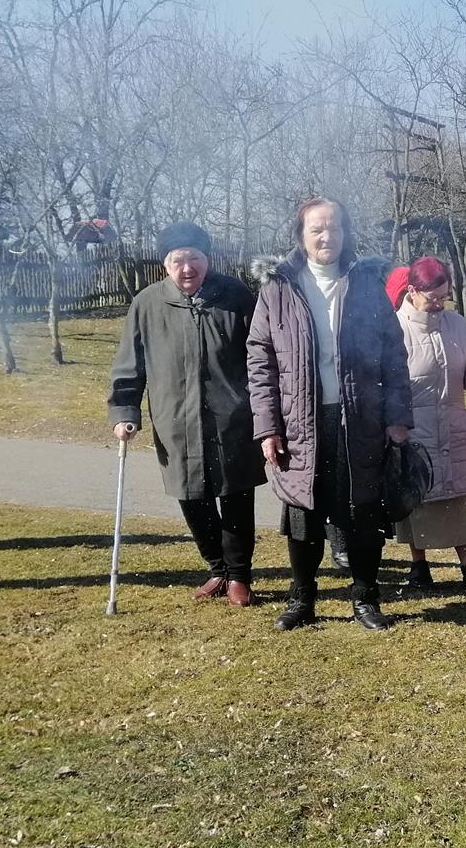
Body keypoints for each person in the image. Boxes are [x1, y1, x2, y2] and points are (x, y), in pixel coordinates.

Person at [246, 197, 411, 631]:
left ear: (346, 233)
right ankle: (302, 599)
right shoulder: (279, 288)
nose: (327, 236)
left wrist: (397, 417)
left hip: (361, 420)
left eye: (334, 227)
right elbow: (260, 361)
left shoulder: (367, 284)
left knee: (363, 512)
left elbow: (394, 356)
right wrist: (268, 427)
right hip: (300, 422)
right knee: (303, 515)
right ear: (301, 236)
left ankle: (365, 598)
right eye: (317, 229)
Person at [108, 222, 264, 606]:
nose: (187, 268)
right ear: (164, 264)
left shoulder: (236, 296)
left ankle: (239, 576)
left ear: (207, 259)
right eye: (177, 260)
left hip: (232, 420)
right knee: (191, 495)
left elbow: (261, 355)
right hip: (175, 419)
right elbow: (129, 366)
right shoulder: (147, 304)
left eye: (194, 258)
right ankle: (218, 569)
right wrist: (125, 410)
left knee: (236, 497)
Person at [393, 256, 466, 592]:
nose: (440, 304)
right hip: (415, 432)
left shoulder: (457, 325)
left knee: (457, 499)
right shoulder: (394, 328)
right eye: (433, 298)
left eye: (445, 296)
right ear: (412, 291)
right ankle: (419, 566)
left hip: (453, 428)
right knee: (417, 499)